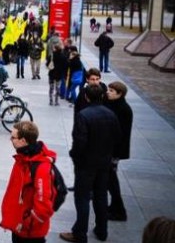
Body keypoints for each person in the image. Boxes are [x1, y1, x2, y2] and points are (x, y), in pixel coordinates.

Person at [59, 85, 121, 243]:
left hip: (86, 164)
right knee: (101, 196)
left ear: (86, 97)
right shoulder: (111, 114)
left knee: (83, 198)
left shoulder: (84, 115)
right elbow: (117, 137)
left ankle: (80, 233)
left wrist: (75, 156)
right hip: (104, 163)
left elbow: (80, 142)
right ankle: (102, 230)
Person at [0, 121, 57, 243]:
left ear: (23, 141)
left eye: (13, 137)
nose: (10, 139)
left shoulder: (40, 168)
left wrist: (25, 224)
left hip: (29, 233)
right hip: (19, 226)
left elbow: (43, 207)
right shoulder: (23, 158)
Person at [104, 81, 133, 222]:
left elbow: (120, 134)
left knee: (111, 179)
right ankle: (115, 206)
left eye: (111, 91)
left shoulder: (124, 109)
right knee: (110, 179)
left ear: (120, 94)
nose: (108, 92)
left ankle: (119, 210)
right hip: (110, 149)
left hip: (114, 151)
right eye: (108, 90)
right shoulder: (112, 104)